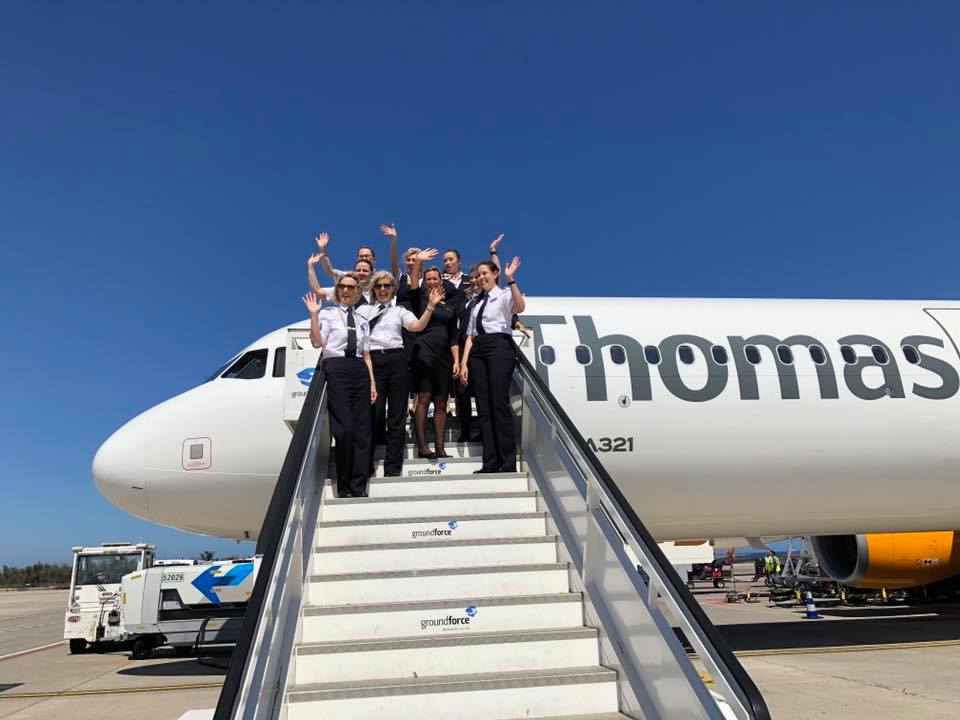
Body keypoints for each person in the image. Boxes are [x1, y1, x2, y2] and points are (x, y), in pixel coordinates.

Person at [301, 273, 377, 498]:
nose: (346, 290)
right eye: (342, 286)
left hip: (360, 370)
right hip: (336, 367)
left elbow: (367, 355)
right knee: (344, 429)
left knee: (363, 431)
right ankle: (344, 486)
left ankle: (359, 486)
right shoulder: (328, 314)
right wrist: (314, 315)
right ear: (337, 291)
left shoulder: (362, 320)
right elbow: (317, 342)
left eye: (351, 287)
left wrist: (372, 381)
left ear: (357, 293)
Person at [361, 270, 442, 476]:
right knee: (373, 414)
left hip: (397, 360)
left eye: (387, 286)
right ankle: (366, 464)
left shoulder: (399, 311)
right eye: (379, 286)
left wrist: (430, 307)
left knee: (396, 417)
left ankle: (393, 468)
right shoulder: (363, 311)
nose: (383, 290)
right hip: (373, 361)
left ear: (393, 289)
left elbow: (417, 326)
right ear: (373, 289)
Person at [459, 252, 524, 473]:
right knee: (484, 408)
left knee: (498, 403)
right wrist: (464, 363)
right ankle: (490, 462)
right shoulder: (476, 303)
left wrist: (511, 279)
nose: (481, 277)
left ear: (495, 274)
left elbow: (520, 307)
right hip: (477, 350)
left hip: (498, 346)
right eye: (478, 275)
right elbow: (470, 336)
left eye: (485, 273)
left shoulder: (504, 295)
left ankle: (507, 462)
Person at [409, 267, 460, 458]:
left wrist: (456, 360)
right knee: (424, 397)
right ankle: (422, 447)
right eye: (427, 279)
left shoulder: (449, 307)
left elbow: (454, 337)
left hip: (444, 357)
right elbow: (414, 282)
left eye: (434, 278)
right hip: (424, 353)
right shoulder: (419, 300)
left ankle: (440, 448)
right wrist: (419, 262)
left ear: (441, 281)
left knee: (441, 402)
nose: (431, 281)